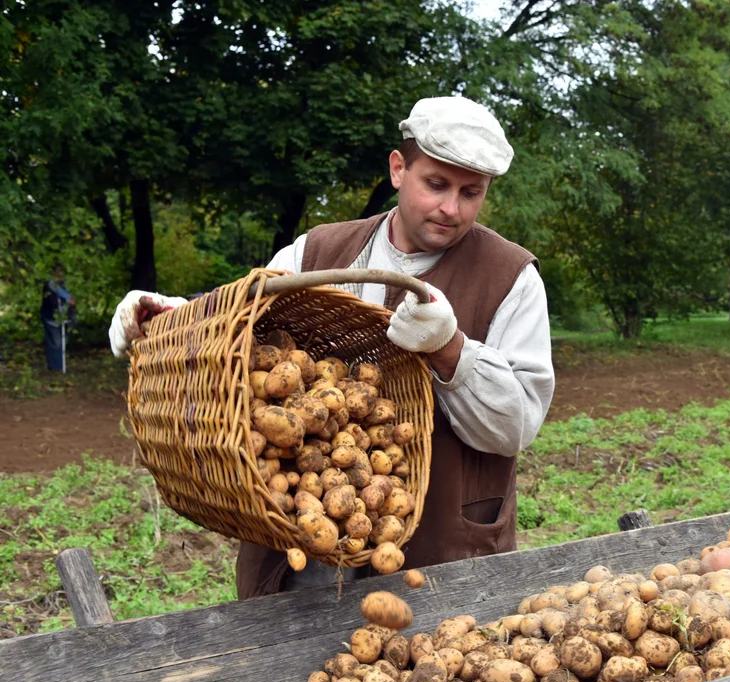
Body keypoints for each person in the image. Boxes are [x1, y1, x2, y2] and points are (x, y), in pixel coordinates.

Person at [108, 96, 556, 598]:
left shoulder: (511, 277)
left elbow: (517, 426)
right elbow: (240, 319)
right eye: (436, 185)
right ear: (397, 169)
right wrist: (170, 318)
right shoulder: (317, 251)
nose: (451, 208)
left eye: (470, 192)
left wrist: (449, 348)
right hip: (299, 550)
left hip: (439, 559)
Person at [41, 263, 76, 371]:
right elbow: (51, 302)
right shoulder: (49, 286)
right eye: (58, 272)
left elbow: (72, 299)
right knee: (55, 342)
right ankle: (55, 366)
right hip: (51, 317)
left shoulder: (65, 285)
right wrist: (66, 301)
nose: (60, 274)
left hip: (65, 317)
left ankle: (59, 365)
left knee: (63, 341)